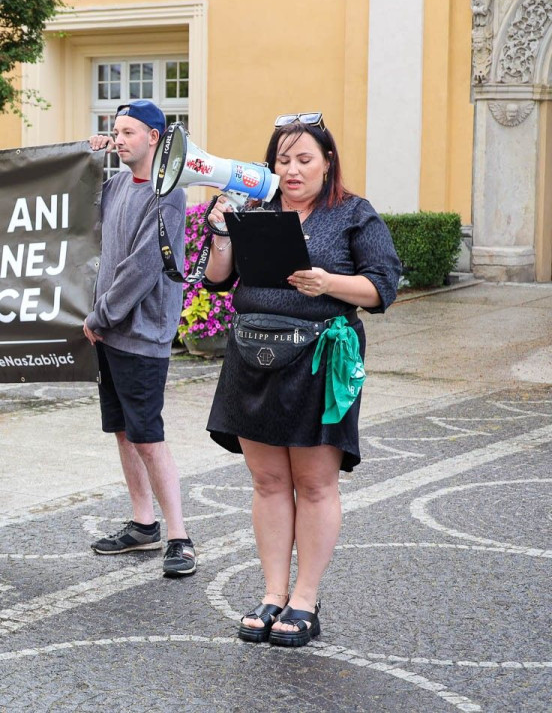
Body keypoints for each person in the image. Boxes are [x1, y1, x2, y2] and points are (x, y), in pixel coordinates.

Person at [203, 113, 402, 646]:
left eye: (303, 159)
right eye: (282, 160)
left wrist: (328, 282)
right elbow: (219, 280)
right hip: (253, 356)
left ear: (327, 161)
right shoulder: (256, 208)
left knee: (314, 484)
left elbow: (384, 287)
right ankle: (272, 594)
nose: (292, 170)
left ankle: (304, 600)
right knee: (267, 482)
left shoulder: (354, 214)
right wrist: (221, 230)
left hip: (319, 360)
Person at [84, 100, 196, 578]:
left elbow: (143, 267)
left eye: (128, 131)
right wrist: (84, 157)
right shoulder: (112, 186)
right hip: (109, 334)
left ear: (155, 137)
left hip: (140, 332)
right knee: (124, 431)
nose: (119, 138)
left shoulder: (167, 194)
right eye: (115, 130)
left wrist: (102, 314)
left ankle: (179, 537)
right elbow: (77, 216)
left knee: (148, 436)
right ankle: (143, 525)